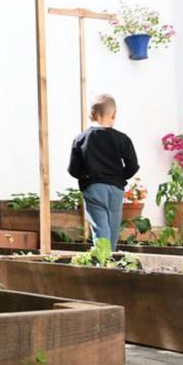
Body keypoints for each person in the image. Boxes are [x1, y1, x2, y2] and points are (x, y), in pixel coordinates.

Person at [68, 94, 139, 251]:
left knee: (100, 227)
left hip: (94, 188)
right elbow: (133, 165)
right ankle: (111, 259)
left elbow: (73, 169)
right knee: (113, 226)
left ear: (90, 115)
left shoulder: (81, 139)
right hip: (116, 189)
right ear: (113, 114)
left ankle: (103, 262)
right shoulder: (122, 139)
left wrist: (87, 177)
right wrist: (120, 176)